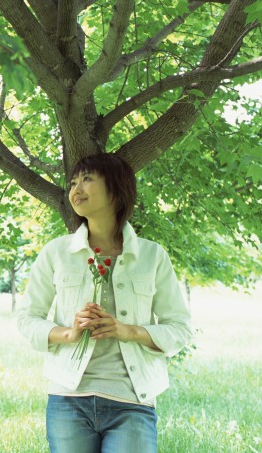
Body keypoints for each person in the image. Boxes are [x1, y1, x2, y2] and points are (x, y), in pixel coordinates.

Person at [17, 153, 192, 453]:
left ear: (116, 189)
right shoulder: (56, 252)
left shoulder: (152, 256)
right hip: (69, 399)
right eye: (73, 182)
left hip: (132, 401)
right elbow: (27, 319)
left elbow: (180, 329)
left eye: (87, 179)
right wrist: (68, 334)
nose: (76, 189)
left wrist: (129, 331)